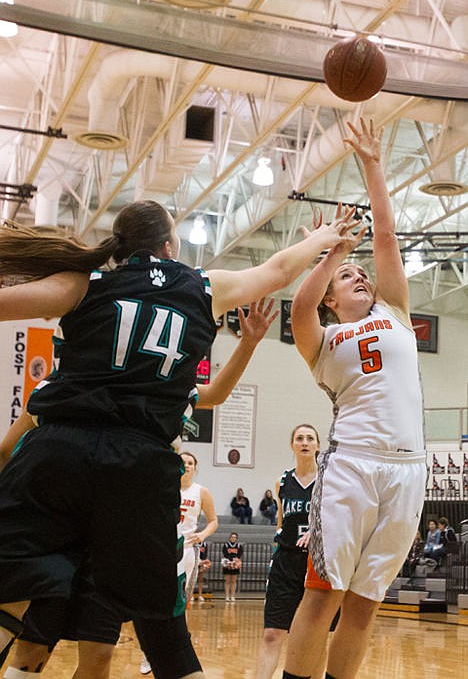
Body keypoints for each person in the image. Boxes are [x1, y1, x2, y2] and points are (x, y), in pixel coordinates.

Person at [0, 200, 354, 678]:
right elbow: (277, 270)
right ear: (171, 245)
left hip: (58, 452)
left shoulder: (85, 283)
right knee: (164, 632)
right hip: (139, 464)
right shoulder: (202, 285)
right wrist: (322, 238)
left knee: (12, 601)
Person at [1, 299, 278, 679]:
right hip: (63, 536)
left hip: (117, 538)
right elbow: (5, 450)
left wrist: (247, 346)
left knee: (95, 652)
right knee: (36, 645)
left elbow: (211, 395)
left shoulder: (156, 390)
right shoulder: (60, 388)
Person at [283, 119, 427, 679]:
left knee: (365, 605)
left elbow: (386, 238)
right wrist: (328, 254)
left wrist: (372, 164)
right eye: (347, 275)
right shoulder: (321, 339)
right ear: (331, 296)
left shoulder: (393, 311)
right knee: (323, 597)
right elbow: (298, 308)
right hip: (351, 468)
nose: (359, 275)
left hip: (408, 470)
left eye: (359, 270)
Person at [140, 450, 217, 675]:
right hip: (160, 549)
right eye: (183, 462)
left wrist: (201, 536)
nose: (186, 465)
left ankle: (174, 649)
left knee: (179, 603)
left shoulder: (201, 491)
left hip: (186, 550)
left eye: (190, 462)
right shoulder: (162, 486)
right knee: (154, 600)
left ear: (195, 467)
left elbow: (213, 521)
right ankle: (149, 654)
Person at [255, 424, 321, 679]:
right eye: (299, 438)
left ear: (317, 445)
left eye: (310, 438)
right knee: (272, 633)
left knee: (315, 639)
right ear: (292, 445)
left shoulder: (329, 480)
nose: (304, 442)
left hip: (317, 564)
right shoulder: (282, 481)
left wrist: (317, 532)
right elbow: (281, 523)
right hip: (286, 562)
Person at [222, 532, 243, 602]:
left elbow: (239, 555)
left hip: (235, 564)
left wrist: (235, 561)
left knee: (234, 581)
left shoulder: (239, 546)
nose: (233, 538)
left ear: (236, 538)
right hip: (227, 563)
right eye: (232, 537)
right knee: (227, 580)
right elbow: (225, 554)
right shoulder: (226, 545)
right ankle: (227, 596)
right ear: (230, 537)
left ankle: (232, 596)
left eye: (234, 537)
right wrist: (229, 561)